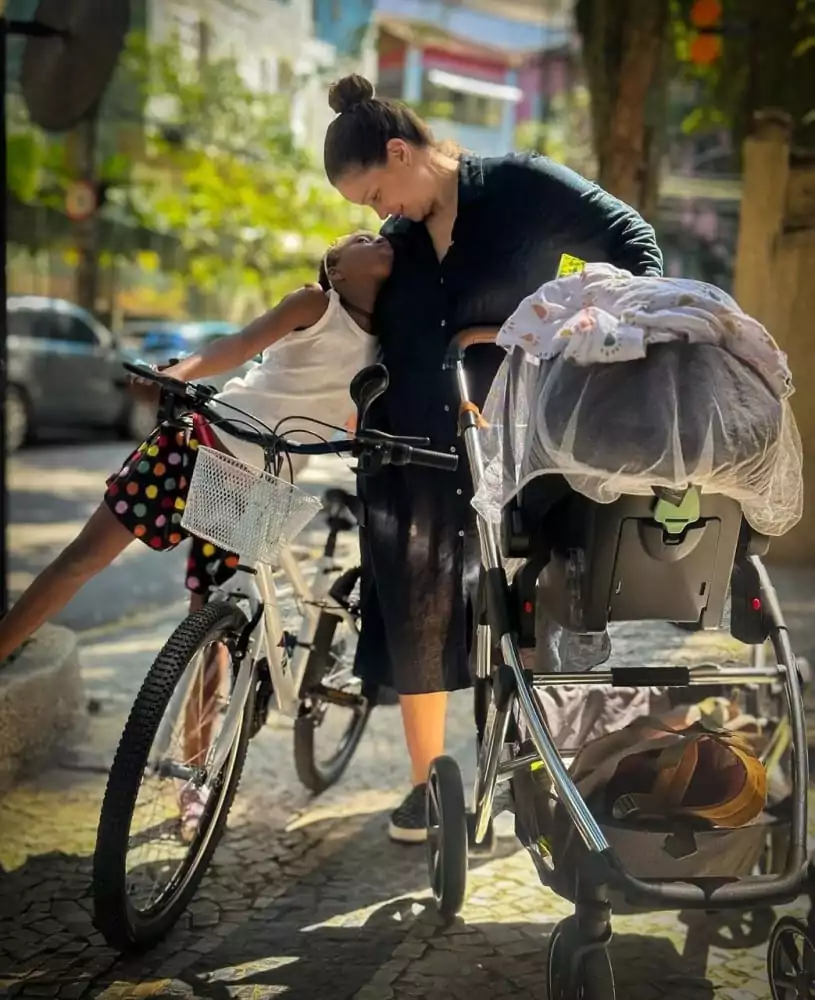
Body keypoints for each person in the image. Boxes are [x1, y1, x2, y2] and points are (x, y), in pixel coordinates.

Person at [322, 74, 664, 844]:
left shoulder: (519, 185)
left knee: (523, 601)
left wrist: (592, 329)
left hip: (519, 435)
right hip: (410, 444)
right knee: (416, 608)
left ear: (402, 152)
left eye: (377, 191)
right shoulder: (399, 244)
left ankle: (529, 762)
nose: (381, 212)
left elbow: (633, 242)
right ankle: (425, 788)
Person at [0, 230, 393, 837]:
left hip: (264, 486)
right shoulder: (314, 304)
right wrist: (181, 371)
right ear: (335, 267)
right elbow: (240, 343)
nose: (377, 237)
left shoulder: (389, 343)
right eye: (360, 236)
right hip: (203, 443)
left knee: (212, 626)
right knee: (82, 558)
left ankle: (190, 777)